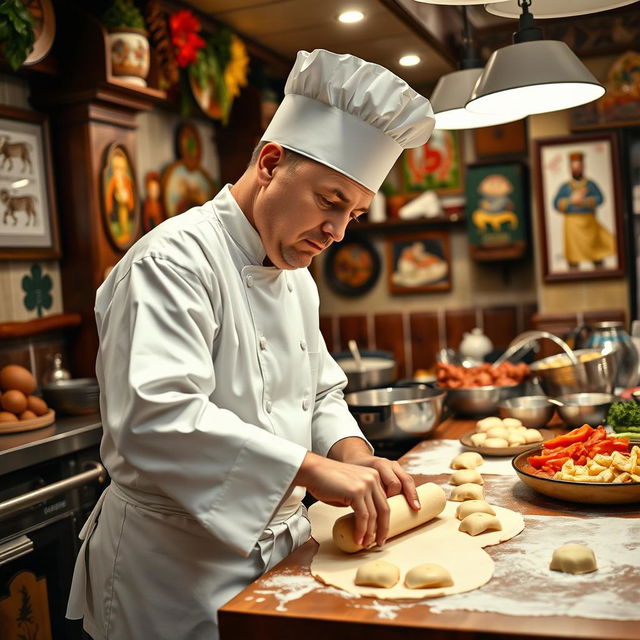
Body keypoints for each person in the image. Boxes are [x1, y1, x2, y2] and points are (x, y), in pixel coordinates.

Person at [66, 49, 435, 640]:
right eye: (329, 201)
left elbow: (318, 394)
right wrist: (313, 470)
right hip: (173, 575)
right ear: (270, 162)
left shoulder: (295, 275)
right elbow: (157, 419)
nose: (337, 232)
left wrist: (353, 456)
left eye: (355, 214)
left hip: (277, 555)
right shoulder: (172, 263)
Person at [552, 151, 615, 270]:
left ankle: (600, 271)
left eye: (578, 167)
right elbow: (556, 203)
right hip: (572, 225)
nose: (576, 170)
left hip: (589, 222)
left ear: (583, 167)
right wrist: (571, 201)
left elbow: (600, 198)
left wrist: (585, 202)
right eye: (573, 168)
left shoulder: (590, 185)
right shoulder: (565, 186)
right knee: (573, 256)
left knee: (596, 252)